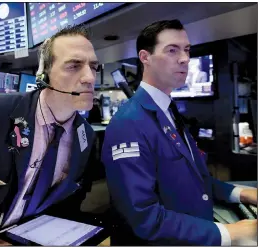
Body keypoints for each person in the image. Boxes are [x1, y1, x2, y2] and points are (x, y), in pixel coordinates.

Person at [101, 20, 257, 245]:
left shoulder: (169, 111)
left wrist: (242, 193)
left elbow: (195, 180)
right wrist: (230, 234)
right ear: (145, 57)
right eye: (172, 50)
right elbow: (144, 217)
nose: (185, 58)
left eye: (186, 50)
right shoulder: (128, 122)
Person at [0, 25, 99, 245]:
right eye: (74, 66)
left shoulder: (86, 136)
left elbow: (69, 203)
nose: (90, 77)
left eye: (94, 66)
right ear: (43, 74)